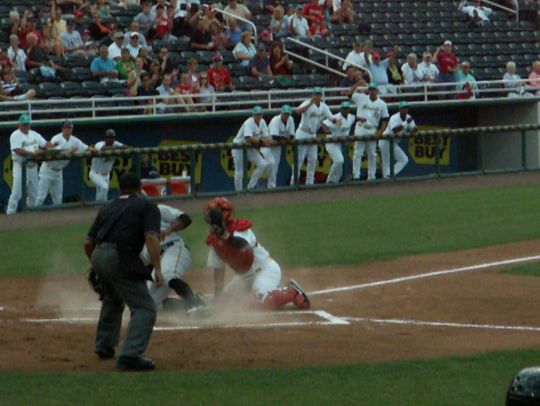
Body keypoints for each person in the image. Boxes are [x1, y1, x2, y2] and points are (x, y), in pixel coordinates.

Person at [84, 172, 163, 371]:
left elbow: (88, 242)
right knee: (145, 308)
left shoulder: (107, 207)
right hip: (120, 256)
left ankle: (104, 345)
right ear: (140, 189)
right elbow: (152, 238)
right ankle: (130, 355)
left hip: (98, 254)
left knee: (113, 297)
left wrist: (96, 264)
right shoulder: (147, 205)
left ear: (119, 189)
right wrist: (159, 269)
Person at [202, 197, 310, 312]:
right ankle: (267, 291)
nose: (210, 218)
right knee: (226, 304)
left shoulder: (240, 229)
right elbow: (219, 272)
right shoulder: (215, 242)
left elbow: (244, 246)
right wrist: (218, 299)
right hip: (245, 279)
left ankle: (291, 291)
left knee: (258, 304)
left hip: (265, 271)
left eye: (213, 215)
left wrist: (225, 236)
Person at [140, 204, 206, 312]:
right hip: (158, 261)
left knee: (168, 275)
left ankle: (197, 306)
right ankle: (192, 302)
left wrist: (168, 231)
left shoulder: (157, 209)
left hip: (174, 248)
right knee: (149, 303)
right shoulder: (130, 228)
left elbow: (185, 219)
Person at [7, 114, 54, 215]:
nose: (25, 126)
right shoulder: (15, 134)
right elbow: (17, 150)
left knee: (34, 194)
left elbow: (45, 144)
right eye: (23, 124)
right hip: (20, 167)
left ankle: (30, 216)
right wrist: (33, 154)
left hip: (33, 167)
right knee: (16, 193)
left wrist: (55, 145)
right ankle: (10, 215)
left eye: (27, 124)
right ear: (19, 124)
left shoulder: (34, 134)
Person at [36, 120, 89, 206]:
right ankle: (33, 216)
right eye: (66, 128)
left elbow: (86, 148)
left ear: (72, 129)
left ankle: (57, 219)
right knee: (40, 196)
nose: (68, 130)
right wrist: (70, 151)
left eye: (69, 128)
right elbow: (54, 152)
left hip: (58, 172)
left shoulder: (75, 140)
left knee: (58, 198)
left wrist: (94, 150)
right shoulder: (56, 138)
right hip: (48, 169)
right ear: (62, 129)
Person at [292, 87, 336, 185]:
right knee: (299, 159)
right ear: (312, 95)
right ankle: (294, 182)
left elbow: (332, 118)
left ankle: (309, 182)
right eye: (315, 94)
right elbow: (297, 111)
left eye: (319, 94)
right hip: (302, 132)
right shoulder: (307, 103)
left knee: (313, 159)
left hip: (313, 135)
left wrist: (339, 122)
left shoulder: (324, 107)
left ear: (321, 96)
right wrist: (309, 104)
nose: (317, 96)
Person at [349, 82, 389, 181]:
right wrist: (357, 84)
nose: (372, 91)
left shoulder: (382, 104)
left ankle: (371, 176)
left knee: (372, 154)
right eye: (370, 89)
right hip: (361, 127)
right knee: (358, 153)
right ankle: (356, 175)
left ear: (377, 91)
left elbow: (385, 120)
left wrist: (380, 132)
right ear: (368, 90)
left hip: (372, 128)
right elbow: (349, 94)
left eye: (373, 90)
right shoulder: (361, 98)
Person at [232, 106, 272, 191]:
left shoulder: (262, 122)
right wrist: (261, 140)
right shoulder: (249, 122)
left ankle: (250, 187)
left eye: (259, 114)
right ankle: (238, 192)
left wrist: (262, 140)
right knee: (239, 171)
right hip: (238, 147)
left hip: (249, 148)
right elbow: (248, 138)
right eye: (256, 115)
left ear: (262, 115)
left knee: (263, 164)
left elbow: (267, 138)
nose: (258, 116)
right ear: (253, 115)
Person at [321, 101, 355, 184]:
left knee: (340, 165)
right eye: (344, 109)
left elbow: (357, 118)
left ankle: (335, 182)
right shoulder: (336, 117)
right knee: (339, 161)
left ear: (349, 109)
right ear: (341, 109)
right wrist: (326, 131)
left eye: (347, 109)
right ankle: (329, 180)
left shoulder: (351, 117)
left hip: (340, 144)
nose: (345, 110)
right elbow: (324, 124)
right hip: (331, 143)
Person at [380, 101, 415, 179]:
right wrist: (406, 123)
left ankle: (391, 174)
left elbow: (415, 129)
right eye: (403, 108)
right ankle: (385, 182)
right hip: (385, 140)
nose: (405, 110)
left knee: (404, 159)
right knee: (386, 164)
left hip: (393, 142)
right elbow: (394, 130)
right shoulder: (394, 118)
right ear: (399, 109)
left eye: (406, 108)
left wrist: (411, 130)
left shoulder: (408, 117)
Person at [89, 129, 126, 201]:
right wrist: (116, 148)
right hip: (95, 173)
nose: (110, 140)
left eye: (112, 138)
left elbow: (127, 147)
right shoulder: (99, 144)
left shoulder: (116, 143)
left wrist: (117, 147)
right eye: (108, 138)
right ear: (105, 138)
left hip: (107, 175)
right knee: (104, 188)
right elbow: (103, 149)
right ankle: (100, 206)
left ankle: (96, 208)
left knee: (101, 192)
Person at [266, 105, 295, 188]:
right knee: (270, 164)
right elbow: (274, 136)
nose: (286, 116)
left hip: (277, 146)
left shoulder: (291, 119)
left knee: (275, 165)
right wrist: (286, 138)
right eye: (284, 114)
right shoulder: (276, 120)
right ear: (281, 113)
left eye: (287, 114)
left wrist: (286, 138)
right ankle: (270, 186)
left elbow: (292, 135)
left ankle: (271, 186)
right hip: (267, 146)